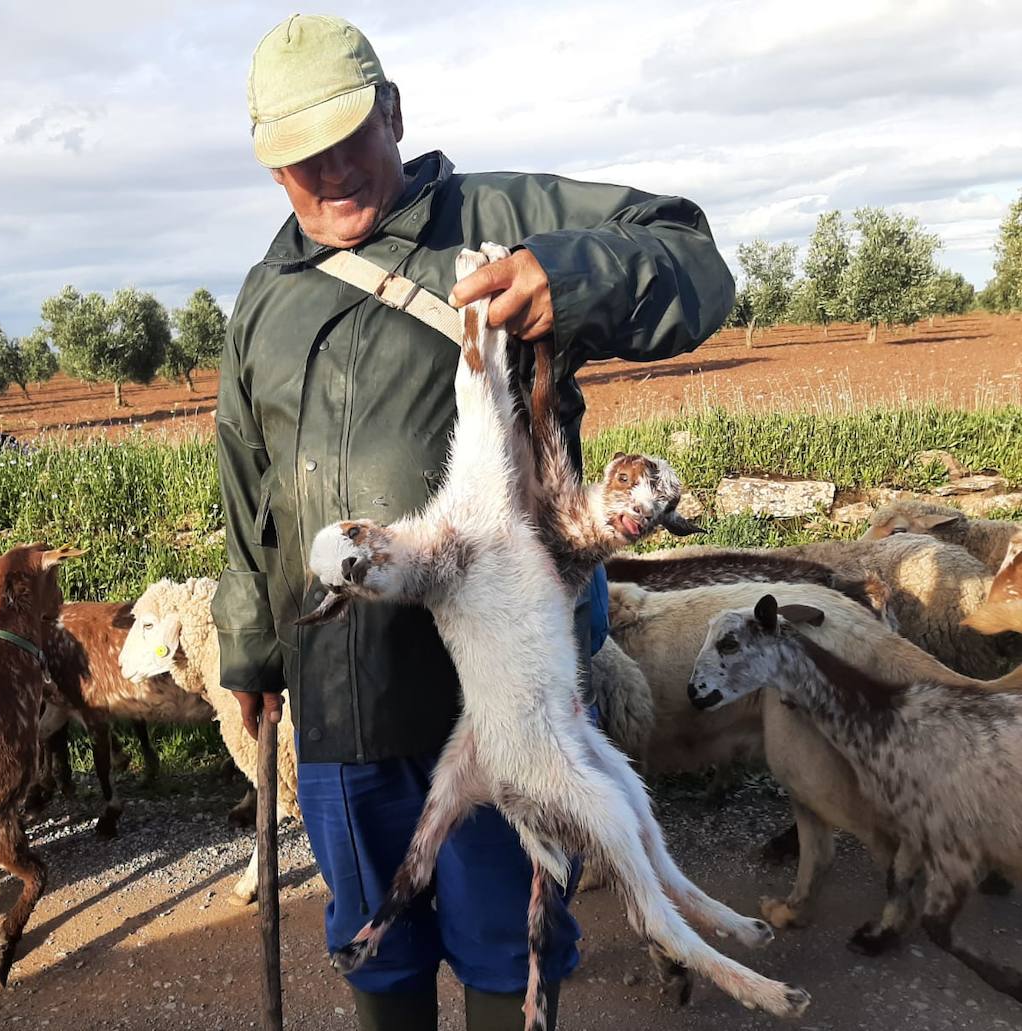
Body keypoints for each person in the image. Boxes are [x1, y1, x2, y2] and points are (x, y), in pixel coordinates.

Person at [213, 14, 734, 1030]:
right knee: (376, 949)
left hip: (508, 698)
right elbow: (249, 487)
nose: (327, 173)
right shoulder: (265, 299)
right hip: (341, 706)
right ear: (267, 167)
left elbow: (696, 263)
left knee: (512, 951)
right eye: (294, 159)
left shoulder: (498, 211)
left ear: (393, 112)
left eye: (347, 138)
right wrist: (246, 648)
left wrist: (569, 276)